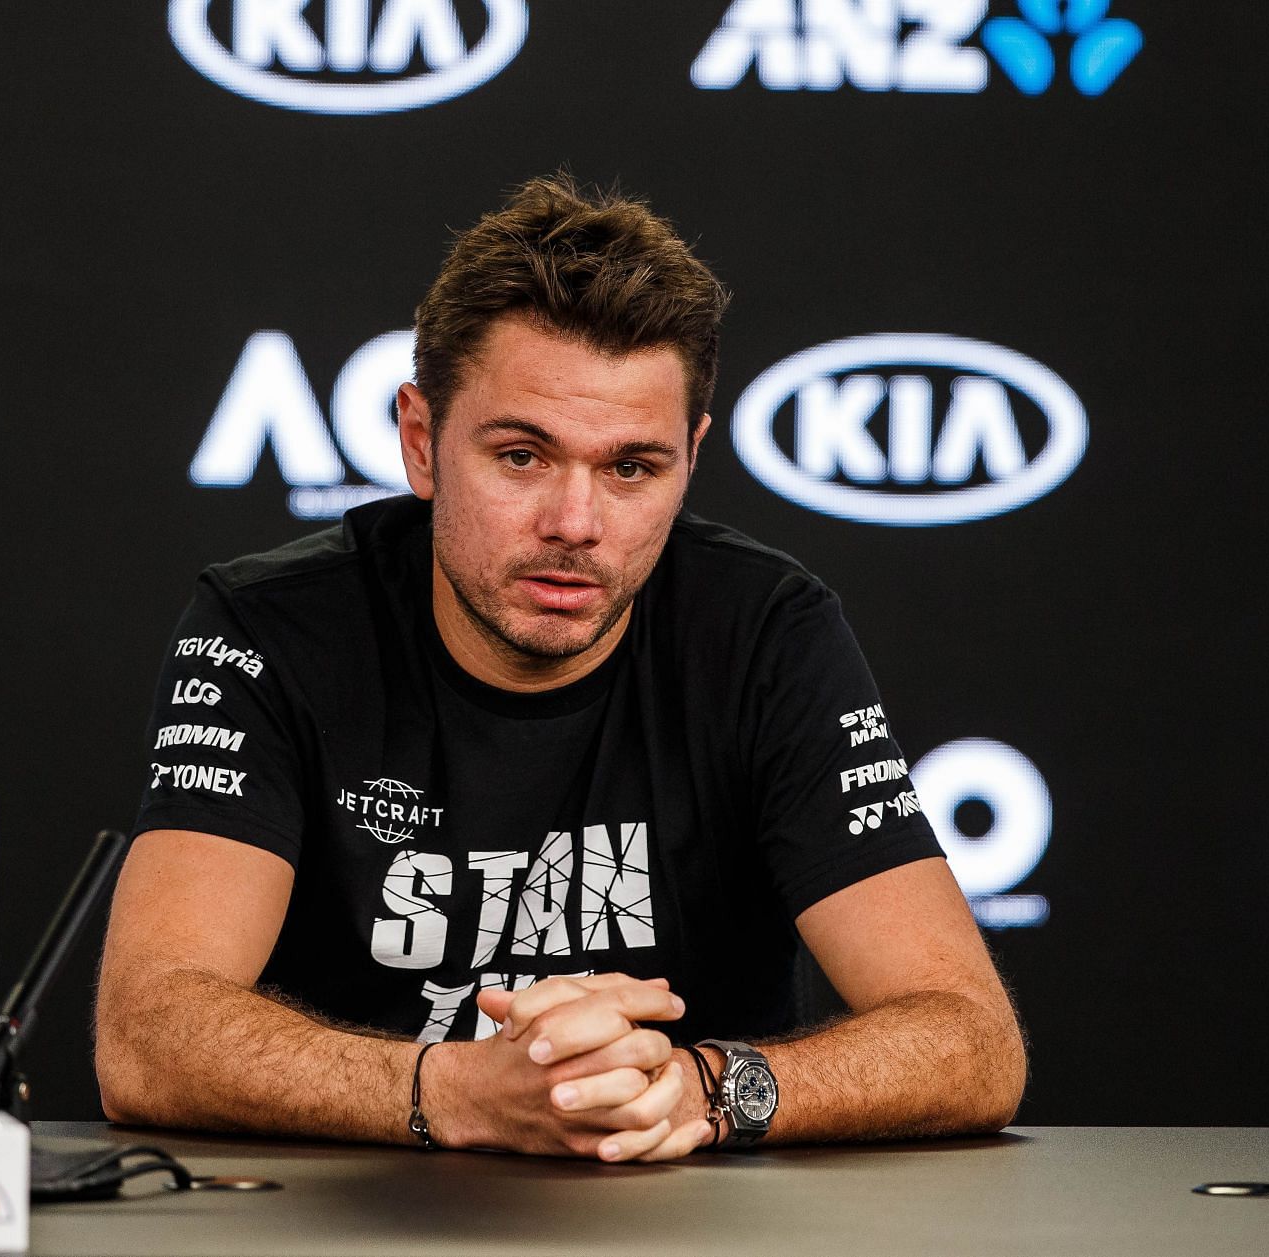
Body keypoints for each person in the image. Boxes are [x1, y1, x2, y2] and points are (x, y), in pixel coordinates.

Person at [96, 175, 1026, 1162]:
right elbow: (146, 1037)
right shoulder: (270, 630)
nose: (576, 525)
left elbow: (973, 1042)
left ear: (691, 458)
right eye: (522, 456)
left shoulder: (765, 633)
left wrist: (705, 1091)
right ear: (422, 442)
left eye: (631, 467)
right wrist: (456, 1092)